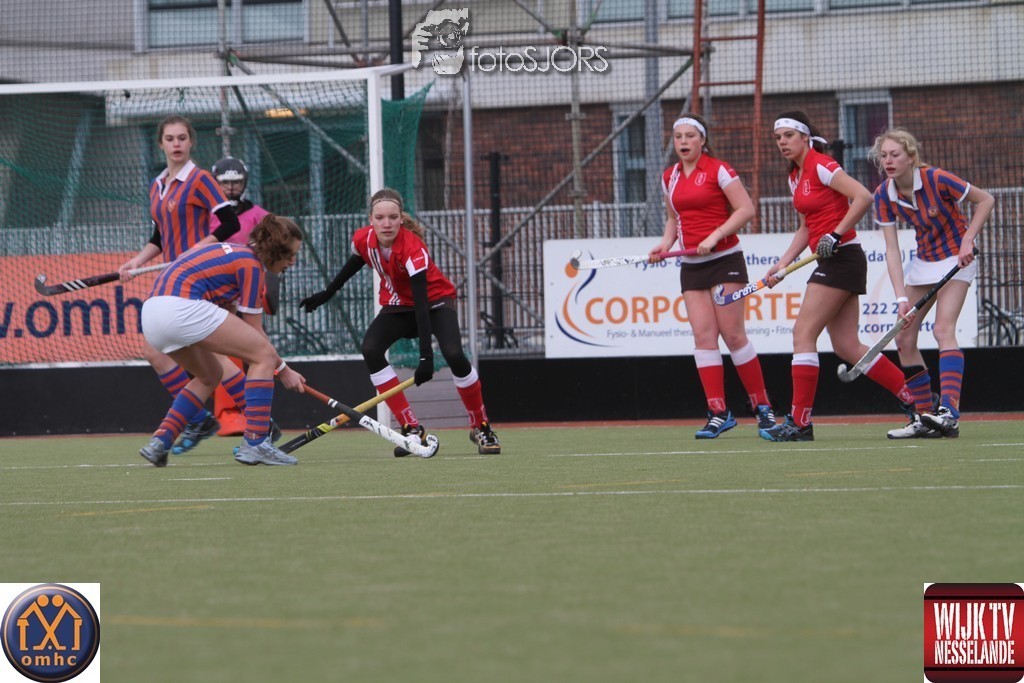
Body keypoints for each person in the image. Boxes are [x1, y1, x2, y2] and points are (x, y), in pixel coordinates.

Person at [299, 187, 501, 455]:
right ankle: (411, 428)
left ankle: (481, 425)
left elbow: (421, 304)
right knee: (371, 349)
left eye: (393, 217)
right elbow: (355, 262)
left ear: (401, 219)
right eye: (380, 218)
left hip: (435, 303)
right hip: (397, 306)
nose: (386, 223)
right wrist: (327, 293)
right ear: (371, 220)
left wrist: (426, 357)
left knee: (454, 354)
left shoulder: (413, 249)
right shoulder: (362, 239)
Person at [759, 111, 915, 442]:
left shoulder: (822, 165)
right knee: (847, 345)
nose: (782, 142)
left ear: (805, 137)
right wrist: (782, 265)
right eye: (778, 137)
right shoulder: (795, 176)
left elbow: (863, 196)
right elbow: (806, 228)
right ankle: (915, 401)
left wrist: (836, 233)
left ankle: (800, 422)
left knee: (803, 333)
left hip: (842, 257)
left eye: (789, 135)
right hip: (836, 259)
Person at [118, 116, 249, 455]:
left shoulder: (200, 178)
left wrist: (200, 247)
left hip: (200, 276)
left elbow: (229, 222)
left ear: (191, 142)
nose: (176, 144)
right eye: (170, 138)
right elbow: (159, 237)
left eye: (181, 138)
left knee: (211, 355)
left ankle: (248, 421)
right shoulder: (157, 185)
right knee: (157, 351)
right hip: (171, 280)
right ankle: (203, 418)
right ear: (160, 144)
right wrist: (136, 262)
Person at [138, 214, 306, 467]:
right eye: (290, 254)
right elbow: (256, 332)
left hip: (152, 314)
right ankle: (257, 443)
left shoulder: (232, 253)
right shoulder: (251, 265)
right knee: (263, 355)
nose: (292, 261)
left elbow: (225, 309)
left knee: (209, 375)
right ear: (275, 250)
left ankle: (160, 442)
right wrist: (284, 371)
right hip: (181, 307)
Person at [648, 115, 777, 439]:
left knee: (733, 335)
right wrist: (664, 245)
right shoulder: (669, 177)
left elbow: (746, 209)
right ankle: (719, 412)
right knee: (703, 337)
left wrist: (715, 236)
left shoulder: (719, 170)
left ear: (702, 140)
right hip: (692, 265)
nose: (683, 141)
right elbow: (673, 219)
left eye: (690, 135)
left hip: (724, 260)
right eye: (678, 136)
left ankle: (762, 407)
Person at [871, 128, 993, 439]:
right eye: (883, 156)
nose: (888, 161)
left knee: (942, 329)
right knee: (904, 336)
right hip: (924, 263)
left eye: (895, 154)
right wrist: (901, 298)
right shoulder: (883, 194)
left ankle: (949, 413)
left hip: (956, 258)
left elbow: (986, 200)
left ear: (911, 157)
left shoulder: (937, 178)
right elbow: (892, 250)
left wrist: (968, 240)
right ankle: (924, 417)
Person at [208, 156, 275, 438]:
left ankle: (250, 412)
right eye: (225, 182)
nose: (231, 187)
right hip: (215, 292)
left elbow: (273, 250)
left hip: (247, 291)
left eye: (236, 182)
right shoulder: (208, 214)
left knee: (251, 350)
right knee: (223, 353)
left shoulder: (259, 215)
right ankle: (227, 413)